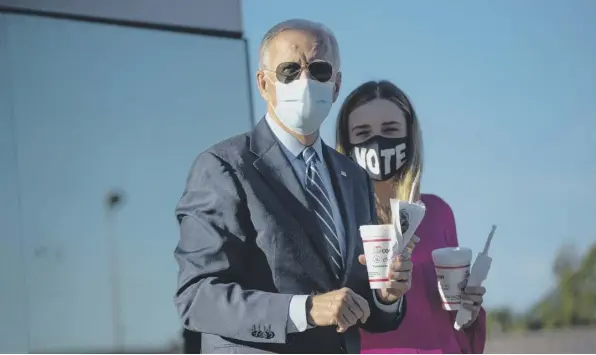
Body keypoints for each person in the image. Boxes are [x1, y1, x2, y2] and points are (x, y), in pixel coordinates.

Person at [174, 20, 416, 354]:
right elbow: (198, 297)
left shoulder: (354, 177)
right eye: (289, 70)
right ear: (263, 83)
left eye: (319, 70)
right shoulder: (224, 166)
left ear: (336, 84)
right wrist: (304, 310)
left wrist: (385, 295)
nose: (304, 81)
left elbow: (357, 303)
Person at [335, 80, 487, 354]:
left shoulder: (438, 212)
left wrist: (469, 310)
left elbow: (454, 322)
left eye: (390, 129)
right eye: (363, 132)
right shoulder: (335, 217)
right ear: (347, 143)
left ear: (409, 137)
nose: (377, 141)